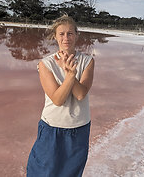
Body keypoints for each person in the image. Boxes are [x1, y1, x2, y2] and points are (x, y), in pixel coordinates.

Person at [27, 14, 95, 177]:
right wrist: (70, 75)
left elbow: (80, 94)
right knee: (42, 171)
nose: (66, 38)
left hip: (79, 128)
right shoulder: (46, 64)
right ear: (55, 36)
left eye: (70, 33)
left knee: (71, 173)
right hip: (52, 127)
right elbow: (57, 99)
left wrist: (70, 73)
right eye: (62, 34)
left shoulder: (87, 61)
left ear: (77, 35)